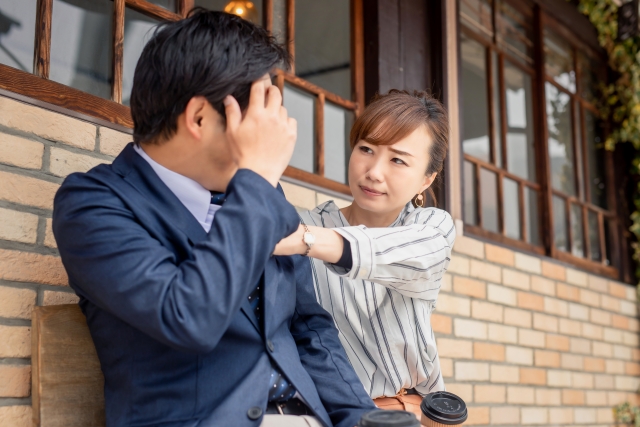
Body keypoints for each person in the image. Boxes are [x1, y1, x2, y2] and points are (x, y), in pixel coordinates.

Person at [52, 9, 376, 427]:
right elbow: (188, 317)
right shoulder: (93, 204)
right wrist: (257, 177)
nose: (274, 133)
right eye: (256, 118)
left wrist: (363, 419)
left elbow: (309, 326)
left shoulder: (261, 196)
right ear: (200, 119)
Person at [274, 90, 455, 421]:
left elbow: (391, 250)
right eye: (366, 149)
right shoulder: (306, 225)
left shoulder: (432, 228)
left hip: (425, 413)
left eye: (397, 159)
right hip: (340, 413)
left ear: (426, 179)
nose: (373, 171)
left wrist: (306, 240)